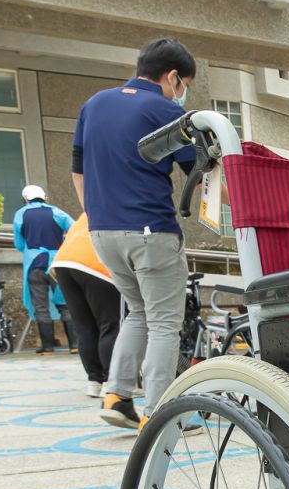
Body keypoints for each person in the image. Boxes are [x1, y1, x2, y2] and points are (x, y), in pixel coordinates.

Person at [72, 37, 197, 430]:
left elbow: (78, 169)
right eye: (184, 83)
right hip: (151, 232)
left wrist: (95, 214)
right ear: (173, 76)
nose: (183, 91)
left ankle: (117, 395)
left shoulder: (94, 104)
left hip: (102, 232)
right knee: (163, 322)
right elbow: (198, 170)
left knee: (137, 312)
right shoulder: (163, 109)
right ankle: (159, 414)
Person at [49, 215, 120, 398]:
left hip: (63, 263)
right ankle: (111, 383)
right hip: (96, 265)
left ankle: (94, 381)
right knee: (110, 324)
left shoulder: (92, 205)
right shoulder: (124, 203)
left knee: (84, 326)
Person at [12, 185, 76, 354]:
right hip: (58, 264)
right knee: (65, 304)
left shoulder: (21, 213)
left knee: (41, 306)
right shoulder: (56, 211)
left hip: (35, 264)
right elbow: (74, 229)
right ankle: (75, 345)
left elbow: (18, 243)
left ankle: (47, 347)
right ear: (45, 197)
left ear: (26, 199)